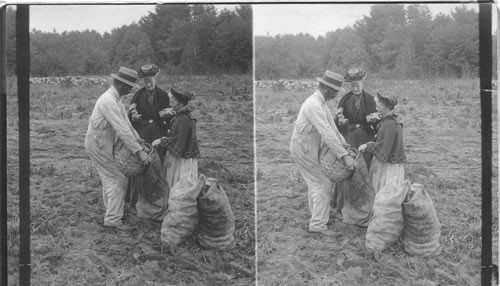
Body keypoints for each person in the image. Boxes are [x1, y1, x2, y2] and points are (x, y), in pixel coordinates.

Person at [289, 70, 355, 236]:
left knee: (315, 183)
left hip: (308, 148)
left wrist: (345, 146)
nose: (335, 95)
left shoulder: (321, 104)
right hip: (303, 149)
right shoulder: (313, 105)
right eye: (334, 91)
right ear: (326, 88)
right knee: (323, 183)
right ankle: (318, 225)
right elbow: (326, 133)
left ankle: (317, 218)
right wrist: (344, 157)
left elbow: (332, 129)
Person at [84, 66, 149, 230]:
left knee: (109, 179)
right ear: (121, 85)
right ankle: (113, 220)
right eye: (128, 88)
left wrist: (138, 140)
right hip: (97, 144)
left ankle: (112, 212)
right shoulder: (107, 101)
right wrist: (139, 152)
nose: (129, 91)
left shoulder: (116, 100)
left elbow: (126, 124)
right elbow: (120, 128)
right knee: (119, 179)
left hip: (101, 143)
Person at [125, 64, 174, 209]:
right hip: (143, 135)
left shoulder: (164, 96)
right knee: (142, 164)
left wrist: (166, 116)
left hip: (159, 135)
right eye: (144, 80)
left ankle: (158, 196)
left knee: (158, 164)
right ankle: (138, 197)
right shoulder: (137, 95)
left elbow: (171, 117)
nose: (147, 82)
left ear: (156, 77)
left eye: (150, 79)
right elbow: (130, 117)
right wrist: (134, 116)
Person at [332, 68, 379, 214]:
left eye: (357, 83)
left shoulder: (370, 99)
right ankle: (344, 201)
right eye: (352, 84)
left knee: (363, 167)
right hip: (350, 138)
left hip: (365, 138)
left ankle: (364, 202)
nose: (355, 87)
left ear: (362, 82)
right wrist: (340, 121)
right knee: (348, 167)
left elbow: (377, 123)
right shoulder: (345, 99)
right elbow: (337, 121)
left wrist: (372, 120)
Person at [152, 87, 200, 189]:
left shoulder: (185, 119)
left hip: (182, 161)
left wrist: (162, 140)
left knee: (179, 184)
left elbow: (179, 141)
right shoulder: (180, 116)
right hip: (180, 158)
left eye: (173, 102)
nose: (170, 104)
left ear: (181, 104)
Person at [359, 92, 406, 193]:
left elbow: (385, 146)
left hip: (388, 167)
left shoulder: (390, 124)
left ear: (387, 108)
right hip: (390, 163)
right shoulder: (390, 120)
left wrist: (368, 146)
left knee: (385, 190)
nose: (376, 108)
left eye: (379, 106)